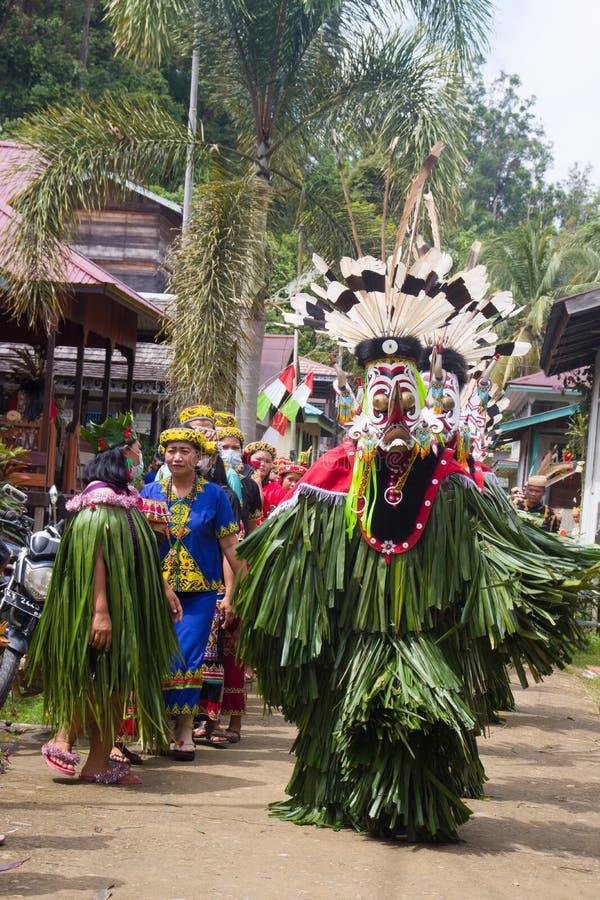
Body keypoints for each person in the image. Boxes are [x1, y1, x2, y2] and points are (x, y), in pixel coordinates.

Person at [28, 412, 182, 785]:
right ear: (118, 457)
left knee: (115, 683)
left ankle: (97, 763)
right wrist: (101, 611)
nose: (139, 459)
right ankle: (63, 739)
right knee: (99, 679)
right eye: (133, 452)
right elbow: (97, 557)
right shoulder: (100, 502)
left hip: (123, 609)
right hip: (106, 609)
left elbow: (139, 555)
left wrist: (162, 589)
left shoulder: (122, 499)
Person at [140, 427, 244, 760]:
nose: (177, 457)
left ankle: (184, 728)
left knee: (186, 659)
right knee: (153, 656)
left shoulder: (215, 496)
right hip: (155, 590)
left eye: (185, 451)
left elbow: (231, 547)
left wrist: (237, 594)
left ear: (198, 457)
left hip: (199, 596)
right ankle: (155, 725)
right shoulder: (149, 492)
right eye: (171, 450)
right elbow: (140, 547)